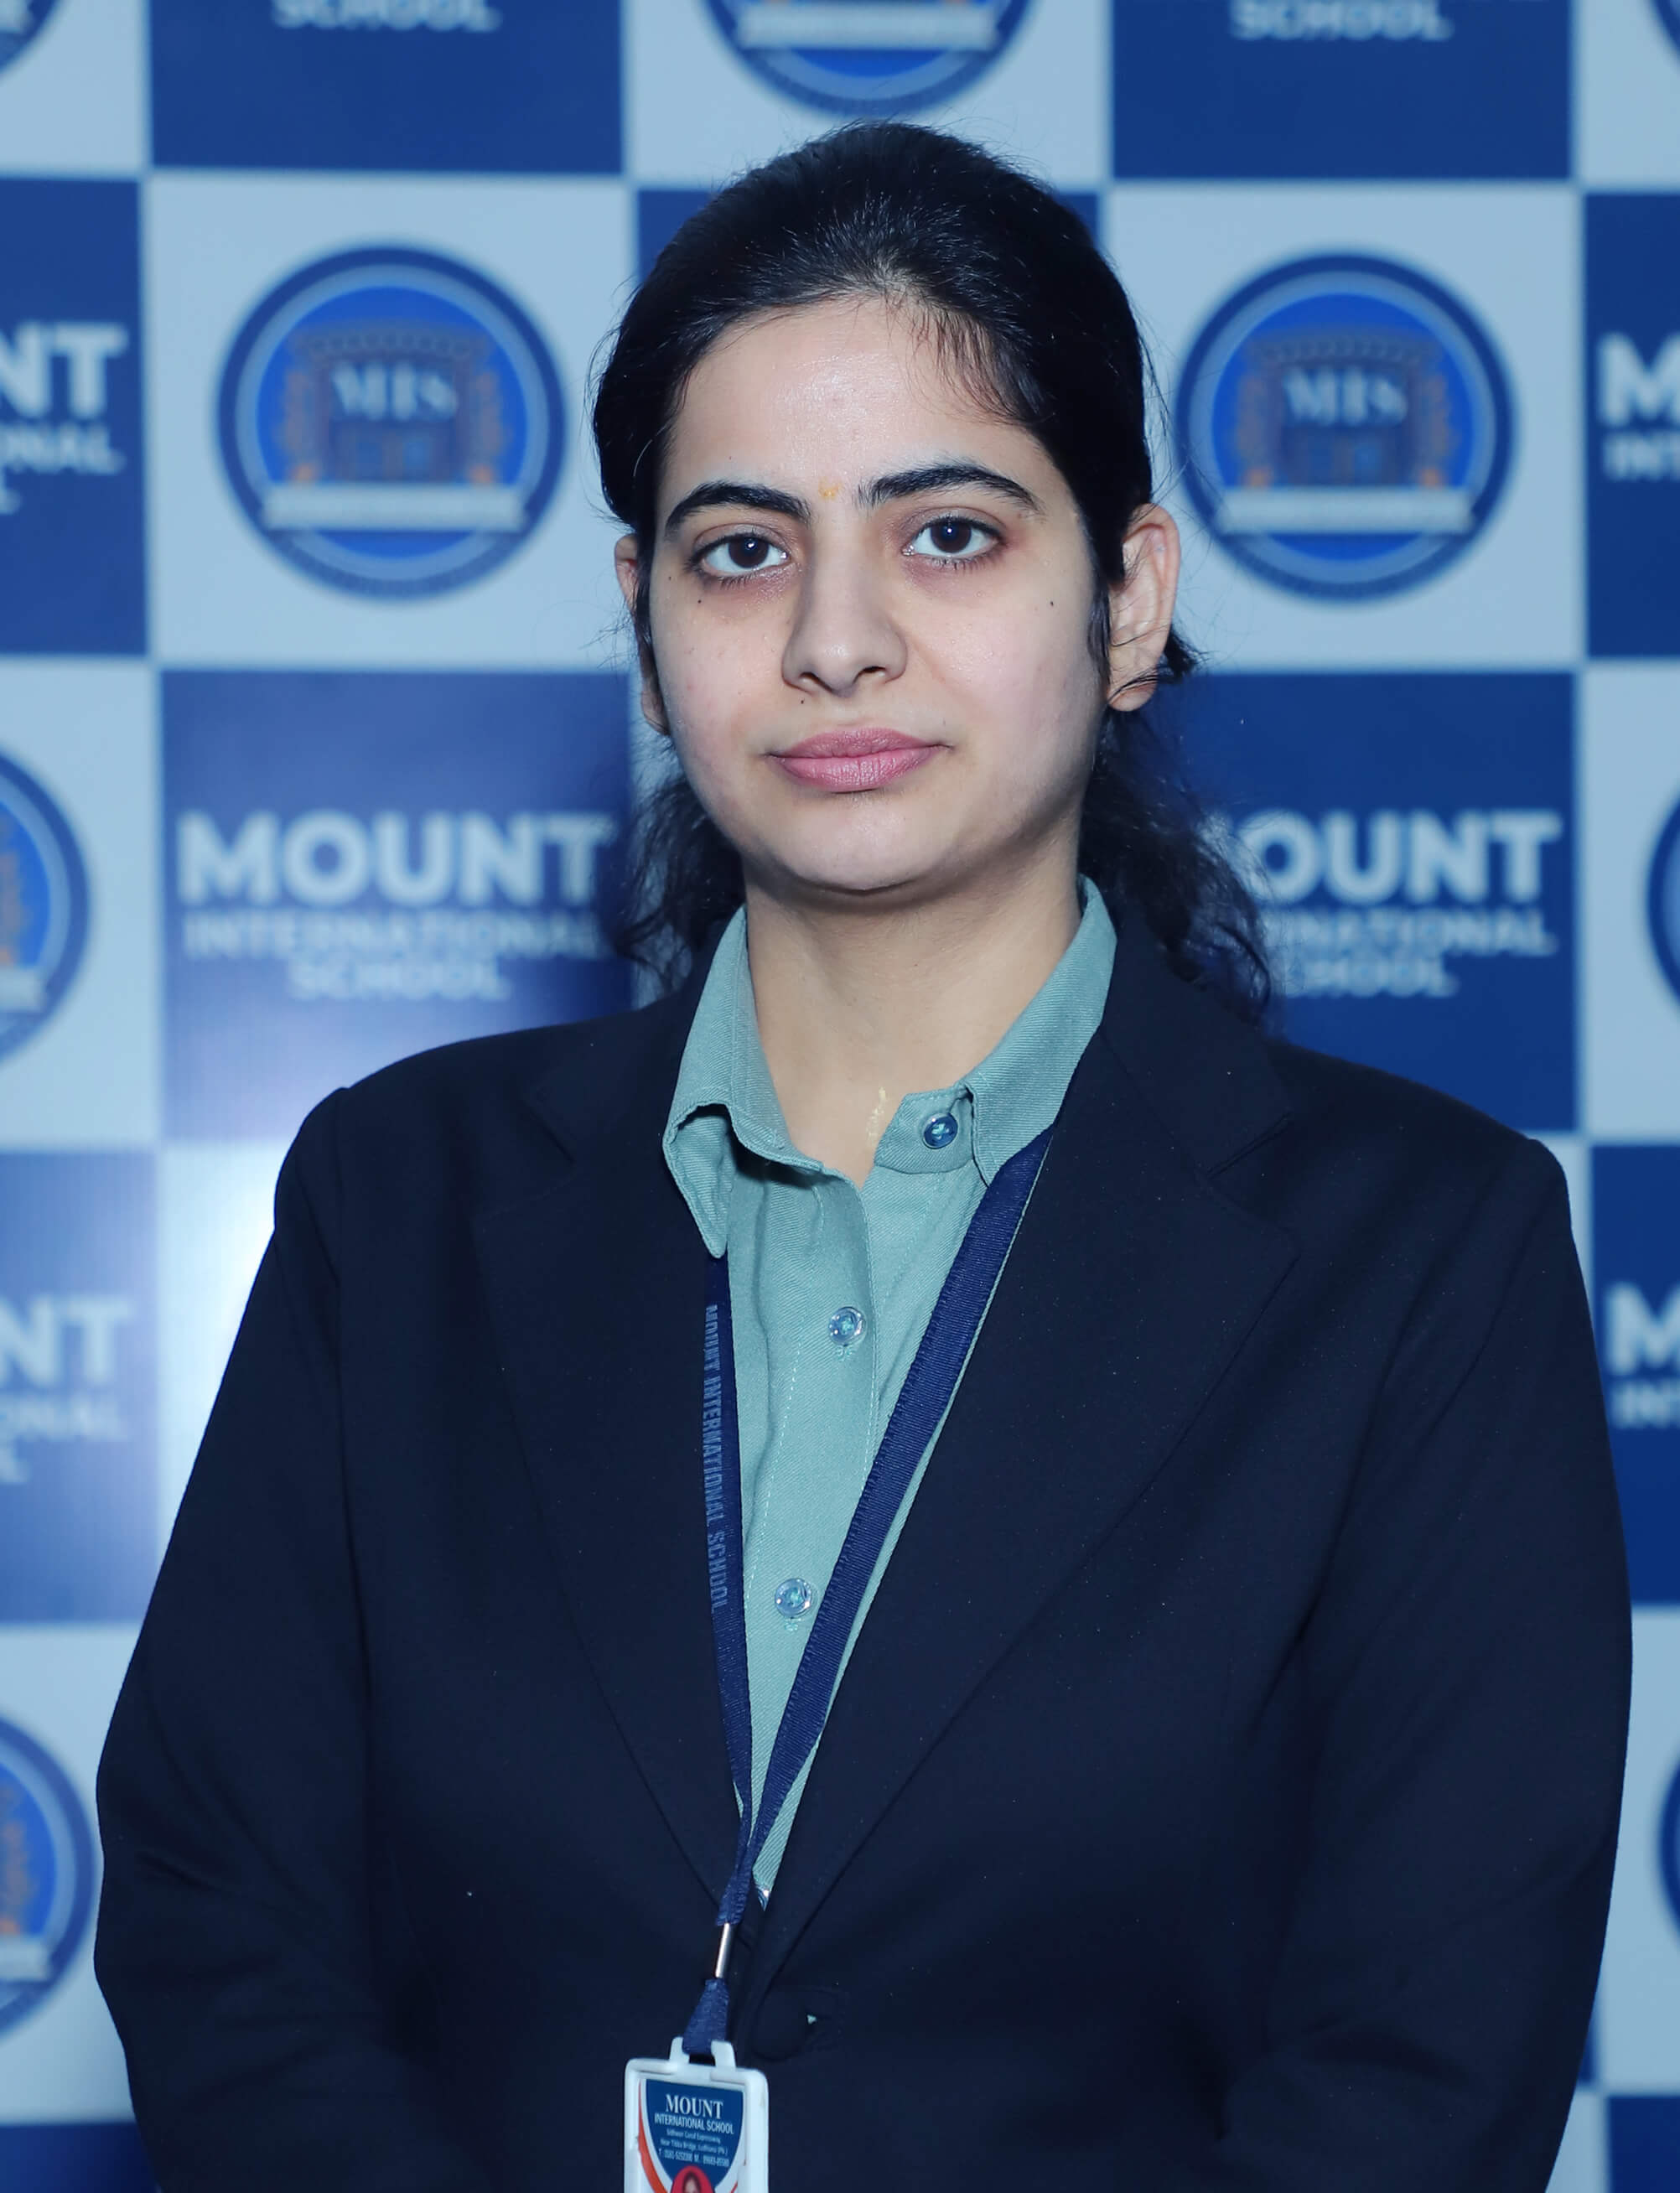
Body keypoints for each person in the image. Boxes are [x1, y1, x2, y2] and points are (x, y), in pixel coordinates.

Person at [95, 123, 1629, 2192]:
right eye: (742, 549)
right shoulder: (399, 1201)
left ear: (1131, 600)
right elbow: (221, 1919)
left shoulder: (1423, 1256)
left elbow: (1421, 2074)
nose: (835, 637)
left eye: (951, 534)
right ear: (648, 621)